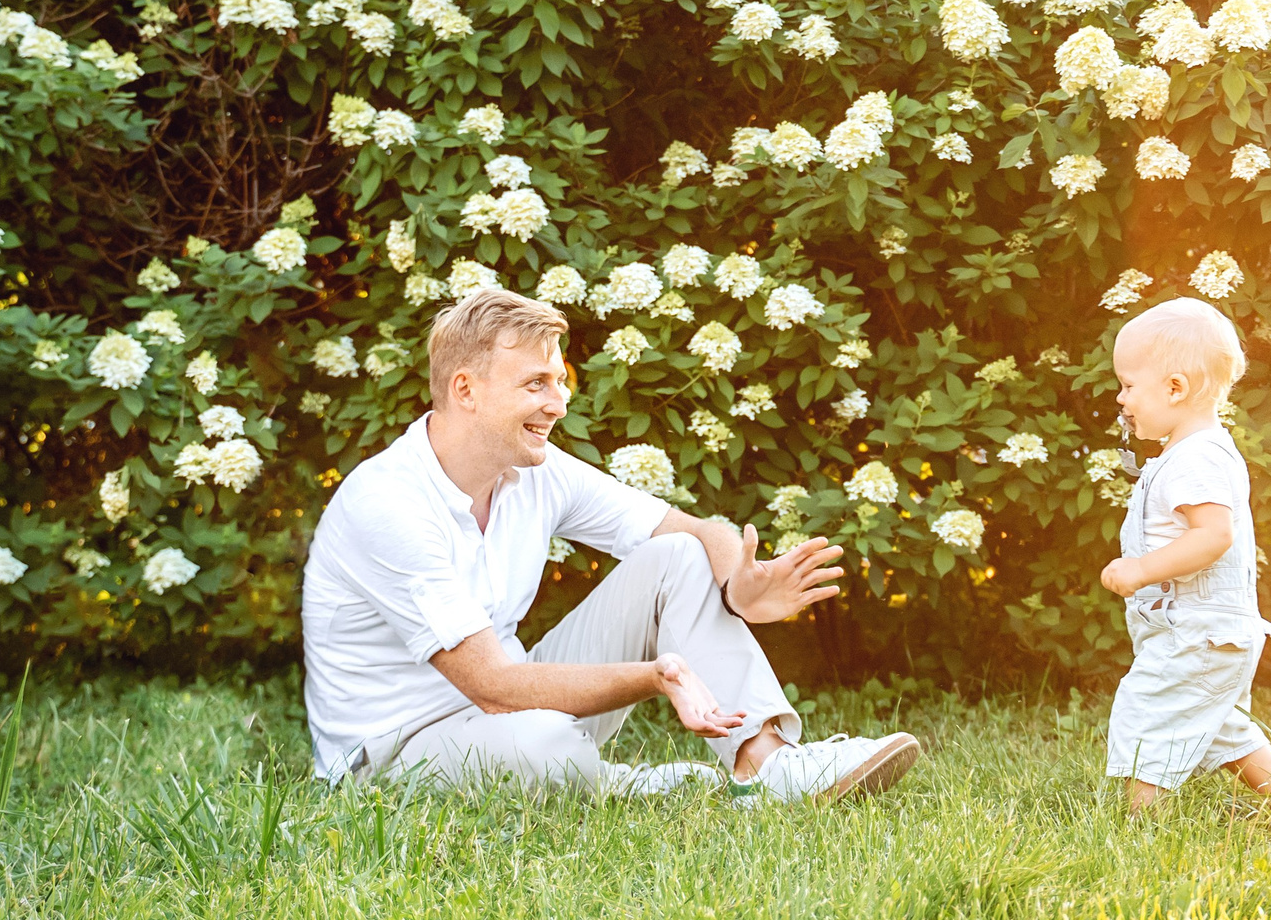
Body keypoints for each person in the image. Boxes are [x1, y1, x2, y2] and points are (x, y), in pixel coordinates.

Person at [301, 288, 922, 800]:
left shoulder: (536, 471)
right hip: (390, 758)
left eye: (559, 380)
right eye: (536, 383)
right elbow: (490, 684)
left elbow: (694, 532)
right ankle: (646, 789)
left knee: (675, 560)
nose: (559, 400)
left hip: (507, 708)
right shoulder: (389, 504)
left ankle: (771, 767)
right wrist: (656, 676)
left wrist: (738, 583)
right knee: (542, 749)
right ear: (465, 390)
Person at [1098, 297, 1271, 815]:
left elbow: (1213, 536)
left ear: (1175, 388)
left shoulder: (1196, 458)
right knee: (1219, 724)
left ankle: (1142, 827)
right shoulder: (1190, 451)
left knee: (1147, 709)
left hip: (1198, 630)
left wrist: (1142, 569)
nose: (1121, 398)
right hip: (1207, 631)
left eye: (1129, 385)